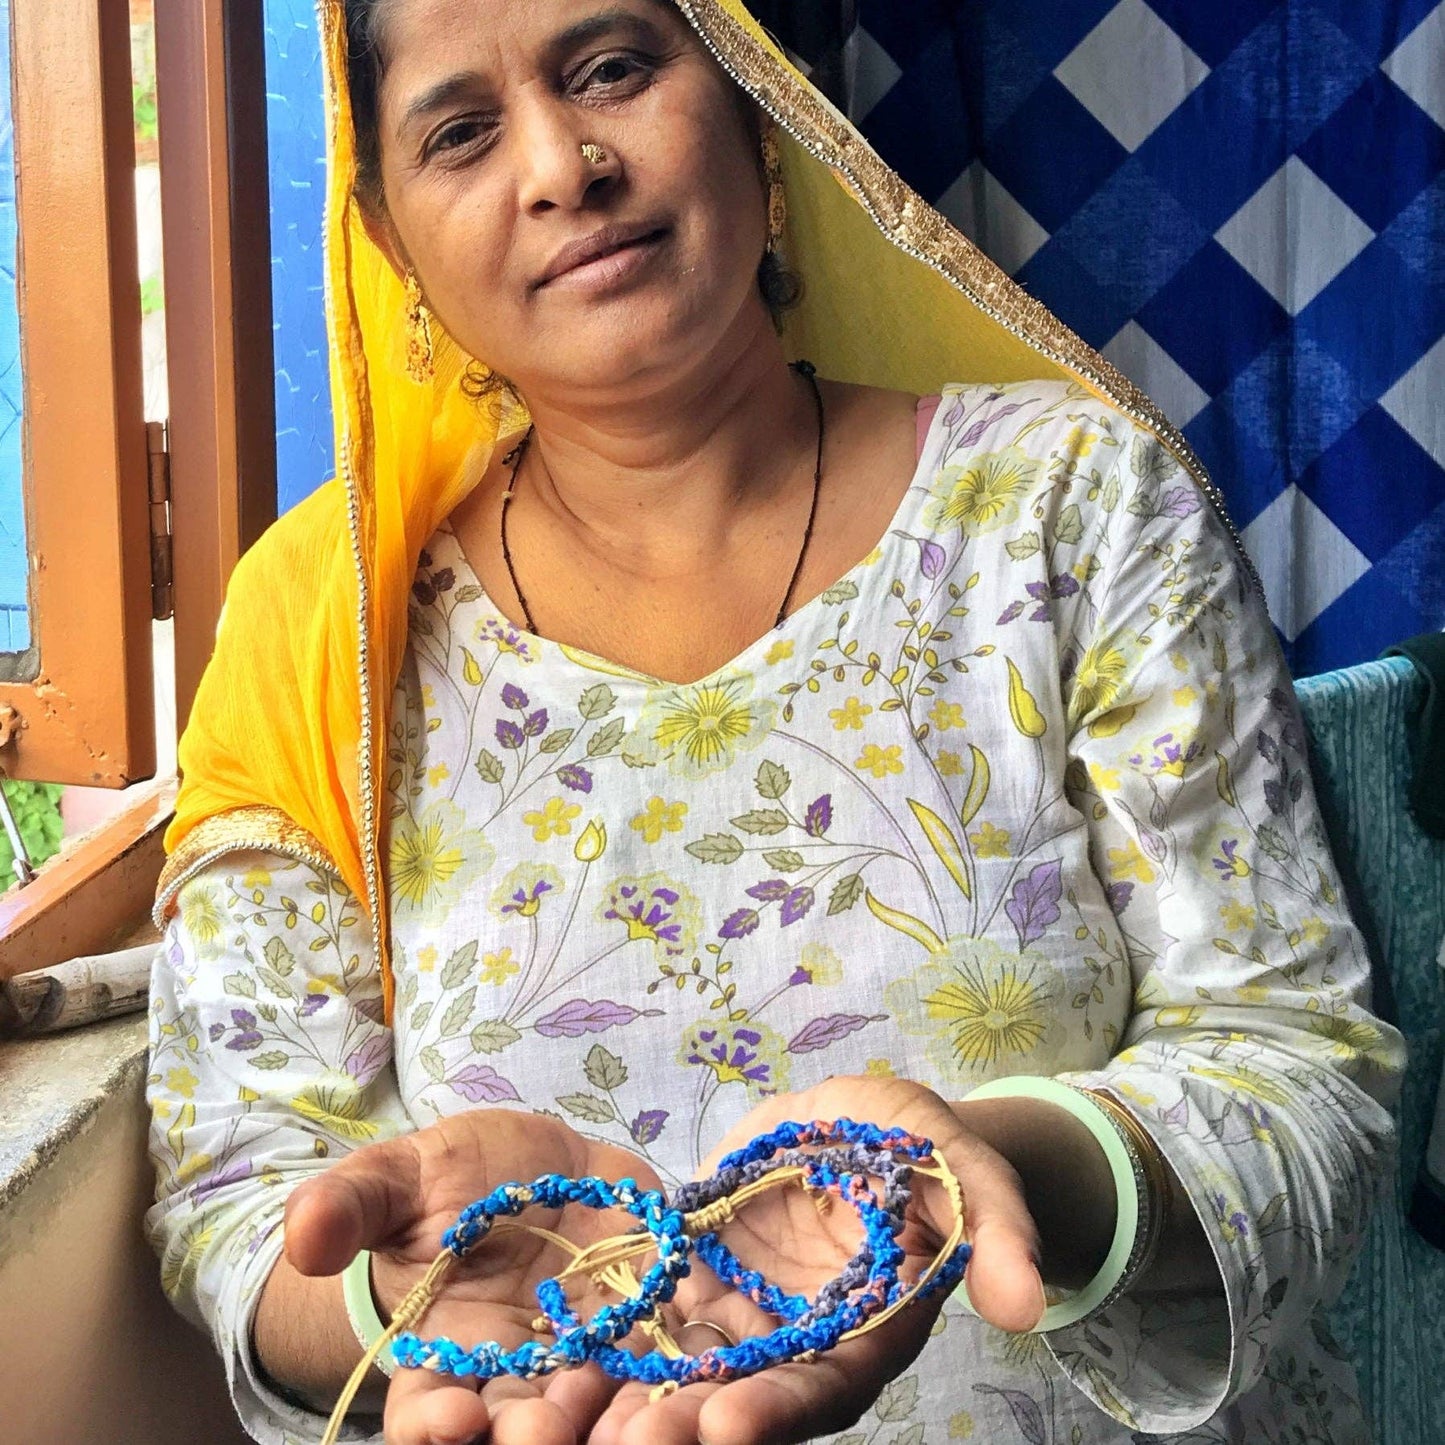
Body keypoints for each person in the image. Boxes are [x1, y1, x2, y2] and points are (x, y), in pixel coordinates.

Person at [145, 2, 1404, 1443]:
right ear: (390, 237)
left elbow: (1295, 1062)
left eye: (611, 70)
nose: (560, 167)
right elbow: (237, 1191)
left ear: (758, 100)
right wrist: (396, 1293)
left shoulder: (1071, 508)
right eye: (462, 133)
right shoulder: (333, 632)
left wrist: (993, 1167)